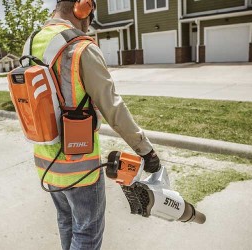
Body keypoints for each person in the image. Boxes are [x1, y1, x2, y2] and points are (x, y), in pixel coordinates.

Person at [30, 0, 161, 249]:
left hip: (45, 162)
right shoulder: (79, 47)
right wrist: (145, 149)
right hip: (79, 167)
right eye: (89, 20)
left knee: (66, 220)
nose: (87, 28)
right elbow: (112, 106)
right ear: (83, 8)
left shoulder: (33, 42)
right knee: (87, 231)